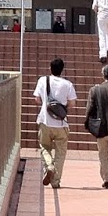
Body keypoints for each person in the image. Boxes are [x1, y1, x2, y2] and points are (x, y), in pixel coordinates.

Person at [32, 57, 76, 187]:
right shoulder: (68, 84)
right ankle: (56, 181)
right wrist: (62, 108)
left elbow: (37, 99)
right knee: (60, 153)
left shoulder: (42, 80)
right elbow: (72, 103)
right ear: (62, 70)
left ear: (50, 68)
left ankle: (49, 166)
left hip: (45, 120)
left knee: (44, 146)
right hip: (61, 123)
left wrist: (46, 103)